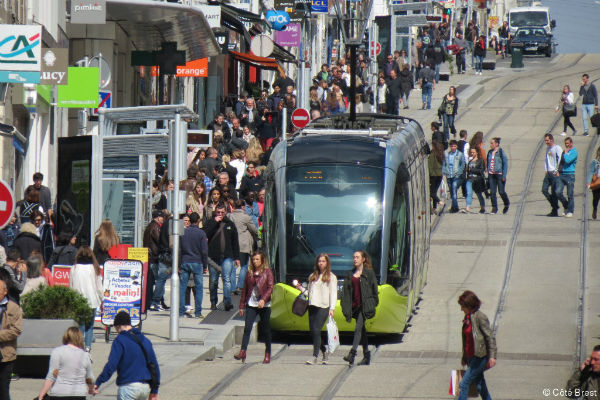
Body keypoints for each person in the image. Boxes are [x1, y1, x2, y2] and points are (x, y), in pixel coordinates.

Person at [95, 311, 160, 400]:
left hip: (128, 386)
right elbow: (154, 366)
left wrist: (99, 382)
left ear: (118, 326)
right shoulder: (145, 340)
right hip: (145, 387)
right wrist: (154, 390)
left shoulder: (120, 340)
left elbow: (112, 365)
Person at [295, 254, 337, 365]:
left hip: (324, 306)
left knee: (317, 329)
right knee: (313, 332)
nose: (321, 263)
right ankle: (324, 351)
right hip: (312, 305)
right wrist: (300, 288)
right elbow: (309, 293)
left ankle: (315, 356)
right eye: (319, 261)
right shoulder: (312, 276)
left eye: (323, 261)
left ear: (327, 263)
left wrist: (332, 308)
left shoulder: (331, 277)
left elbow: (333, 294)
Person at [234, 251, 274, 364]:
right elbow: (245, 290)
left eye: (257, 259)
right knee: (247, 328)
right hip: (251, 304)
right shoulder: (249, 273)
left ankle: (267, 353)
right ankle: (243, 351)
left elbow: (271, 287)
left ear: (262, 261)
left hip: (264, 305)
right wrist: (241, 305)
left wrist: (263, 299)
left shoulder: (267, 272)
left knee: (266, 330)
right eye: (253, 259)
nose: (255, 261)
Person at [340, 251, 378, 366]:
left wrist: (373, 303)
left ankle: (352, 354)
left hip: (364, 306)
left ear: (363, 259)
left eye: (357, 257)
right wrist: (345, 305)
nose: (355, 259)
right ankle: (367, 355)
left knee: (358, 329)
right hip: (355, 307)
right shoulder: (350, 274)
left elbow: (374, 290)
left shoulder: (369, 274)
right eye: (354, 257)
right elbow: (346, 292)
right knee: (362, 331)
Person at [457, 290, 496, 400]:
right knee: (480, 384)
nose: (461, 309)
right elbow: (466, 340)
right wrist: (464, 357)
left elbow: (490, 337)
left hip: (479, 357)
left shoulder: (480, 317)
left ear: (469, 305)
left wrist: (492, 356)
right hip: (470, 357)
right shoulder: (467, 318)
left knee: (463, 384)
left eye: (462, 306)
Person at [37, 327, 94, 400]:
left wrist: (42, 393)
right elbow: (89, 378)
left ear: (66, 337)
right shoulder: (85, 355)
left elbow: (52, 375)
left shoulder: (57, 352)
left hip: (59, 393)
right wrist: (91, 389)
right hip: (79, 394)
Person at [204, 203, 240, 311]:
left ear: (226, 212)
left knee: (227, 279)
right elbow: (205, 233)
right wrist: (215, 222)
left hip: (227, 256)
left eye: (222, 212)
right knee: (213, 281)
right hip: (213, 256)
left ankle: (227, 301)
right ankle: (213, 302)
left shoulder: (230, 224)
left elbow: (235, 242)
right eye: (218, 212)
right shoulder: (210, 222)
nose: (220, 214)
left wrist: (237, 257)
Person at [70, 246, 103, 352]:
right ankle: (88, 347)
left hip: (78, 300)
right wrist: (102, 299)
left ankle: (79, 346)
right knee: (90, 326)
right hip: (92, 300)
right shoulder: (94, 268)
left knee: (80, 326)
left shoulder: (74, 268)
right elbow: (99, 286)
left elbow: (71, 285)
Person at [179, 212, 208, 319]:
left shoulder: (183, 232)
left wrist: (178, 264)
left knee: (182, 287)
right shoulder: (201, 233)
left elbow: (179, 249)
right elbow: (204, 251)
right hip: (197, 261)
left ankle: (181, 311)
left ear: (190, 220)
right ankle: (198, 312)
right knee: (199, 288)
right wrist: (205, 265)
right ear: (198, 221)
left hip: (185, 261)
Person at [228, 200, 258, 296]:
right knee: (244, 265)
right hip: (243, 244)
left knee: (233, 267)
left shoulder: (230, 216)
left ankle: (232, 288)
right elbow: (254, 229)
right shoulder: (246, 217)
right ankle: (240, 286)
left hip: (232, 244)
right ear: (243, 207)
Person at [0, 278, 22, 399]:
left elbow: (16, 330)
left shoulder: (13, 308)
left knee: (3, 390)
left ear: (5, 291)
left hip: (6, 355)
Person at [143, 211, 168, 311]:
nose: (163, 219)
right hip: (153, 257)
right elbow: (159, 240)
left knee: (156, 281)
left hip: (151, 257)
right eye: (162, 217)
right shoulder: (155, 227)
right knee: (160, 280)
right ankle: (155, 302)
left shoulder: (151, 226)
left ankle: (159, 302)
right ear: (158, 218)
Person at [556, 137, 578, 218]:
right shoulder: (564, 152)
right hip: (562, 174)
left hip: (570, 175)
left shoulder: (574, 152)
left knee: (570, 194)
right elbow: (561, 162)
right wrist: (558, 171)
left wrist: (565, 153)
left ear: (571, 143)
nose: (566, 145)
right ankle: (566, 206)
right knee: (558, 192)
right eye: (565, 144)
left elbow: (568, 160)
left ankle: (570, 211)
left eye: (568, 143)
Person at [487, 137, 510, 215]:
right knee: (492, 192)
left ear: (496, 144)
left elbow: (505, 164)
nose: (490, 145)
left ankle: (506, 203)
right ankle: (494, 208)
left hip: (499, 175)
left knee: (501, 191)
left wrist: (504, 175)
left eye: (492, 143)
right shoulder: (489, 152)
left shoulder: (501, 152)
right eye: (490, 143)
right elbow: (488, 162)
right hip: (491, 175)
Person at [542, 133, 563, 217]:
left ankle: (554, 211)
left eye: (547, 140)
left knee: (554, 192)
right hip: (548, 172)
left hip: (555, 173)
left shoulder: (557, 148)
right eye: (545, 140)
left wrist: (557, 170)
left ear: (551, 140)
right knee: (544, 190)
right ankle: (555, 205)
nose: (546, 142)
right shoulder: (548, 148)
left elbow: (561, 160)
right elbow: (546, 160)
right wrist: (546, 169)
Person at [442, 140, 466, 213]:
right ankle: (454, 207)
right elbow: (444, 164)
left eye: (454, 146)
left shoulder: (460, 154)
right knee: (452, 193)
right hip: (449, 175)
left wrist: (459, 172)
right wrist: (443, 172)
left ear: (457, 146)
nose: (453, 147)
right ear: (450, 146)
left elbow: (463, 164)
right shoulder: (447, 154)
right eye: (452, 146)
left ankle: (455, 208)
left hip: (456, 175)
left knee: (454, 190)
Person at [464, 148, 486, 214]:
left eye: (473, 152)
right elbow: (468, 170)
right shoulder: (470, 161)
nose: (472, 154)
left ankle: (482, 207)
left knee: (479, 194)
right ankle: (467, 207)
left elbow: (481, 170)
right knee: (469, 193)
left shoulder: (480, 160)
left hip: (477, 180)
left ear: (477, 153)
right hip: (470, 179)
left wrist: (471, 169)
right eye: (471, 152)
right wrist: (467, 170)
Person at [429, 141, 445, 214]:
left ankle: (440, 202)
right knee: (435, 191)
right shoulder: (441, 154)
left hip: (433, 176)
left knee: (432, 193)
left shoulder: (433, 154)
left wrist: (430, 174)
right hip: (440, 175)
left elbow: (430, 166)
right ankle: (434, 208)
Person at [587, 146, 600, 219]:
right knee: (596, 198)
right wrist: (588, 182)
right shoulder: (594, 162)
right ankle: (595, 209)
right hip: (596, 182)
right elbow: (591, 172)